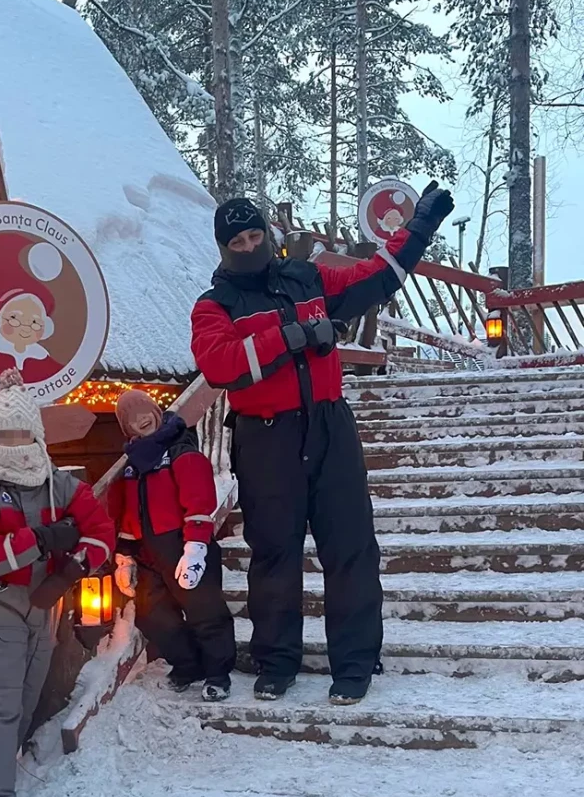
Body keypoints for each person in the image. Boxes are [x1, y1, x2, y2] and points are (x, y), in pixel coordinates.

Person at [190, 185, 454, 704]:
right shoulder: (214, 304)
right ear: (223, 249)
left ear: (268, 233)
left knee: (351, 547)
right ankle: (276, 661)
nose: (248, 245)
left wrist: (418, 227)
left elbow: (375, 278)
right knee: (274, 554)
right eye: (236, 241)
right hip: (266, 438)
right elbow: (219, 365)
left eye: (254, 234)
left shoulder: (307, 277)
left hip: (329, 426)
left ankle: (354, 663)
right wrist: (294, 335)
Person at [0, 368, 114, 797]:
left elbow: (100, 532)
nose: (15, 441)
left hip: (45, 605)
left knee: (27, 694)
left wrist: (74, 567)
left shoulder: (62, 485)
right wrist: (40, 539)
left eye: (23, 432)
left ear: (36, 433)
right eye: (6, 433)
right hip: (1, 606)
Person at [108, 389, 236, 701]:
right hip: (148, 553)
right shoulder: (132, 465)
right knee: (153, 616)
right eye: (132, 418)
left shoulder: (181, 452)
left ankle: (218, 673)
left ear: (155, 411)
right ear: (126, 427)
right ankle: (188, 665)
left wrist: (195, 547)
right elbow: (128, 514)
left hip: (184, 545)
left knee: (204, 611)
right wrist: (125, 556)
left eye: (145, 412)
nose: (141, 420)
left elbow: (199, 501)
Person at [0, 232, 64, 381]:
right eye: (14, 318)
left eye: (35, 322)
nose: (26, 327)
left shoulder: (43, 358)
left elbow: (59, 378)